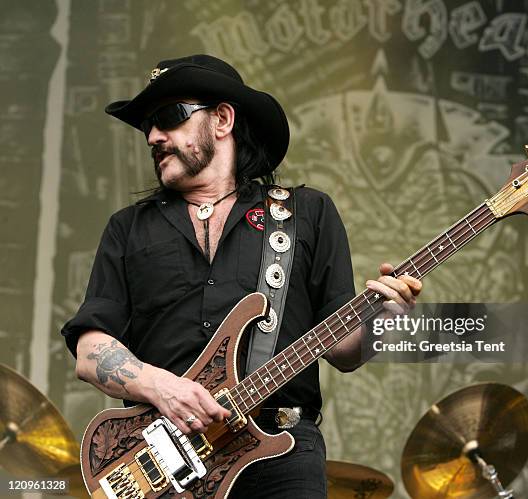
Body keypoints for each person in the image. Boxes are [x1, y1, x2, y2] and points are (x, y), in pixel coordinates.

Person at [61, 54, 422, 498]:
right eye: (147, 127)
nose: (153, 136)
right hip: (164, 463)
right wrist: (164, 389)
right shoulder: (129, 227)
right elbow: (90, 350)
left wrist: (384, 319)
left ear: (222, 119)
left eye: (169, 117)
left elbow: (344, 353)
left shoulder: (305, 213)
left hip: (281, 456)